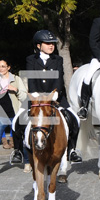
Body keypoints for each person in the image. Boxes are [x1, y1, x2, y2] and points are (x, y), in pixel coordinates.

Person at [24, 30, 81, 164]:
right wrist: (36, 96)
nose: (51, 46)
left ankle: (72, 149)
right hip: (36, 99)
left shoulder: (58, 59)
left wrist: (54, 94)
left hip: (56, 98)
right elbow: (31, 80)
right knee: (17, 121)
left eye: (52, 44)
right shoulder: (31, 60)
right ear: (39, 46)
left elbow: (59, 79)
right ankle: (18, 151)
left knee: (75, 119)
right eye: (47, 43)